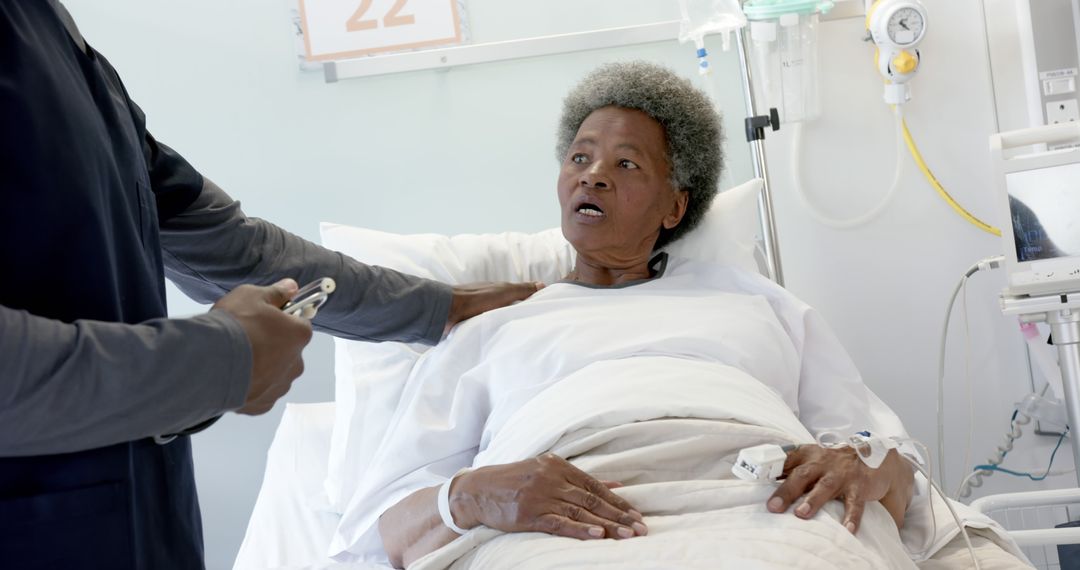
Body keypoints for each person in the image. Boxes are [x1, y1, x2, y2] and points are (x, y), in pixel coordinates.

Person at [326, 61, 936, 569]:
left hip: (764, 505)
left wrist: (862, 466)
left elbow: (886, 465)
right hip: (560, 522)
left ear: (674, 206)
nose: (594, 175)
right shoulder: (492, 326)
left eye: (626, 164)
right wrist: (475, 495)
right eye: (580, 158)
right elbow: (384, 533)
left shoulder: (758, 304)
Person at [0, 1, 537, 568]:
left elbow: (226, 243)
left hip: (139, 521)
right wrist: (219, 360)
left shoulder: (54, 36)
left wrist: (438, 305)